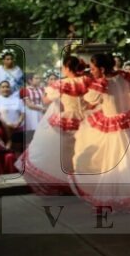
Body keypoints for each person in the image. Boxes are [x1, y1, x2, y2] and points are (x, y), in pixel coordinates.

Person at [70, 53, 130, 212]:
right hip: (128, 124)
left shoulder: (102, 84)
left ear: (101, 69)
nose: (91, 71)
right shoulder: (123, 77)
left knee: (115, 160)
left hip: (114, 127)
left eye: (93, 68)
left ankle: (121, 196)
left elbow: (89, 99)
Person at [17, 56, 89, 195]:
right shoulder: (88, 81)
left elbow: (45, 101)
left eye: (63, 67)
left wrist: (47, 94)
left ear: (67, 68)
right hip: (87, 119)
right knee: (80, 150)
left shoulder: (61, 84)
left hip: (67, 118)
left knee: (63, 152)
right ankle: (82, 182)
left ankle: (66, 181)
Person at [0, 81, 24, 151]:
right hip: (5, 130)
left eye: (7, 87)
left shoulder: (17, 100)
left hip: (18, 128)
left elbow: (22, 113)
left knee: (18, 150)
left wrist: (19, 122)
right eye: (3, 87)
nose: (5, 89)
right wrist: (7, 124)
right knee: (7, 150)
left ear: (10, 88)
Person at [0, 102, 18, 175]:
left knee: (10, 156)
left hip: (2, 149)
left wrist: (7, 147)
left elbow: (9, 139)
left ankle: (13, 181)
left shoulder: (0, 122)